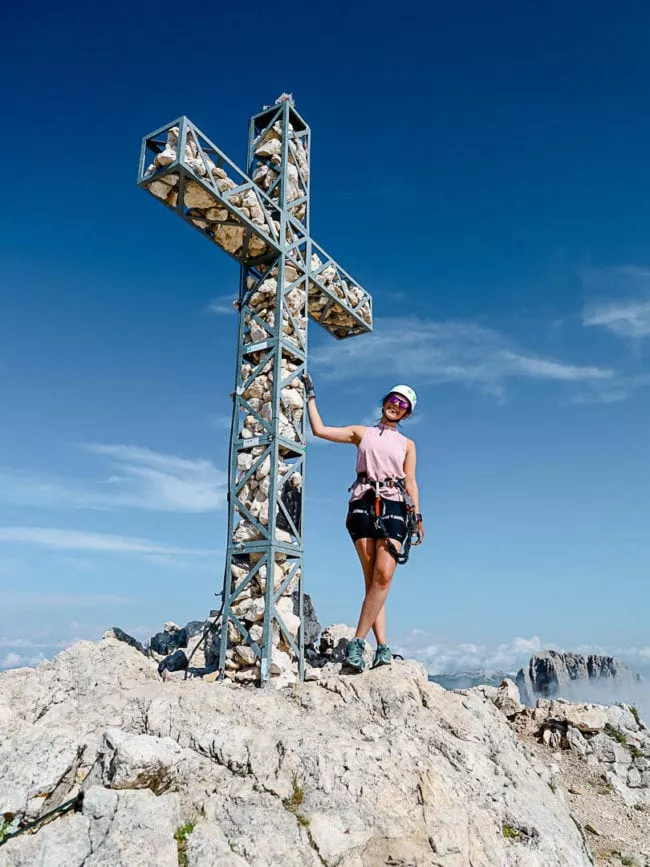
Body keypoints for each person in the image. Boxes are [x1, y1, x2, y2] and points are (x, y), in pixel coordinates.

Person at [302, 374, 424, 672]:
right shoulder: (362, 433)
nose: (396, 406)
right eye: (393, 400)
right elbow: (319, 431)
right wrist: (310, 397)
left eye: (403, 405)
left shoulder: (408, 444)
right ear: (385, 402)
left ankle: (357, 642)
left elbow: (411, 481)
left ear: (407, 413)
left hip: (395, 503)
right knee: (372, 580)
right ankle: (382, 647)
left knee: (383, 576)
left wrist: (417, 517)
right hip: (363, 502)